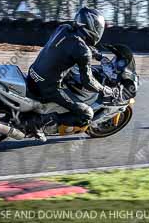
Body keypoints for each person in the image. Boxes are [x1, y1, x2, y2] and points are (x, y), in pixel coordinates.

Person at [25, 7, 114, 141]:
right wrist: (103, 89)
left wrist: (97, 54)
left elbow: (71, 45)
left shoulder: (63, 28)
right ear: (91, 27)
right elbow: (87, 81)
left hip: (33, 73)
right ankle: (39, 123)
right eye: (98, 28)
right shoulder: (83, 51)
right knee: (86, 114)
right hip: (49, 87)